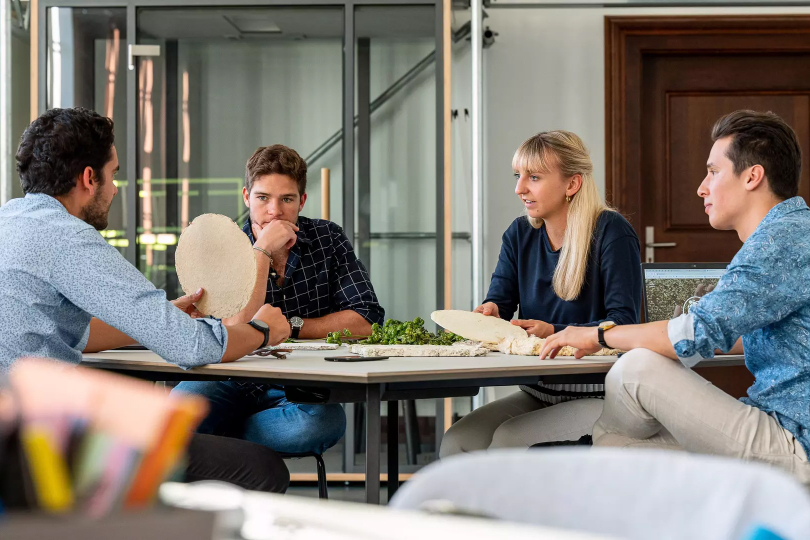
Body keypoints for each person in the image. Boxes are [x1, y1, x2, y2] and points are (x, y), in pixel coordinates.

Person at [1, 107, 290, 493]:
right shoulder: (69, 238)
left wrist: (161, 316)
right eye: (114, 173)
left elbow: (74, 333)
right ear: (89, 178)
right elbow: (191, 346)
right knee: (262, 467)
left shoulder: (10, 221)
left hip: (14, 433)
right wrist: (262, 330)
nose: (116, 188)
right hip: (37, 445)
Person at [539, 110, 810, 483]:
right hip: (783, 428)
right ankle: (592, 449)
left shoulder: (781, 241)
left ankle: (584, 450)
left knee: (637, 370)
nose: (702, 187)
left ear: (752, 176)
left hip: (797, 442)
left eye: (713, 171)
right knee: (616, 447)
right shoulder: (792, 231)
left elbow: (695, 334)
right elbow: (753, 337)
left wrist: (597, 334)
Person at [440, 130, 642, 457]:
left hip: (600, 396)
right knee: (457, 443)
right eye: (519, 176)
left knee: (508, 441)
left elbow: (622, 323)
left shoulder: (612, 231)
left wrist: (556, 332)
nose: (520, 188)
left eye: (533, 177)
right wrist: (490, 311)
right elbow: (500, 304)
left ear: (572, 184)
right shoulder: (519, 233)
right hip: (539, 391)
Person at [174, 145, 385, 455]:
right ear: (246, 197)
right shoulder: (220, 246)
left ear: (301, 201)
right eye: (263, 198)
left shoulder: (328, 238)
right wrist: (262, 250)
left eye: (286, 199)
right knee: (178, 410)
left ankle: (219, 444)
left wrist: (291, 327)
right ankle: (231, 447)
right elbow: (237, 327)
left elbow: (367, 319)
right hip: (230, 376)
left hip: (298, 383)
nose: (274, 211)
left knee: (324, 423)